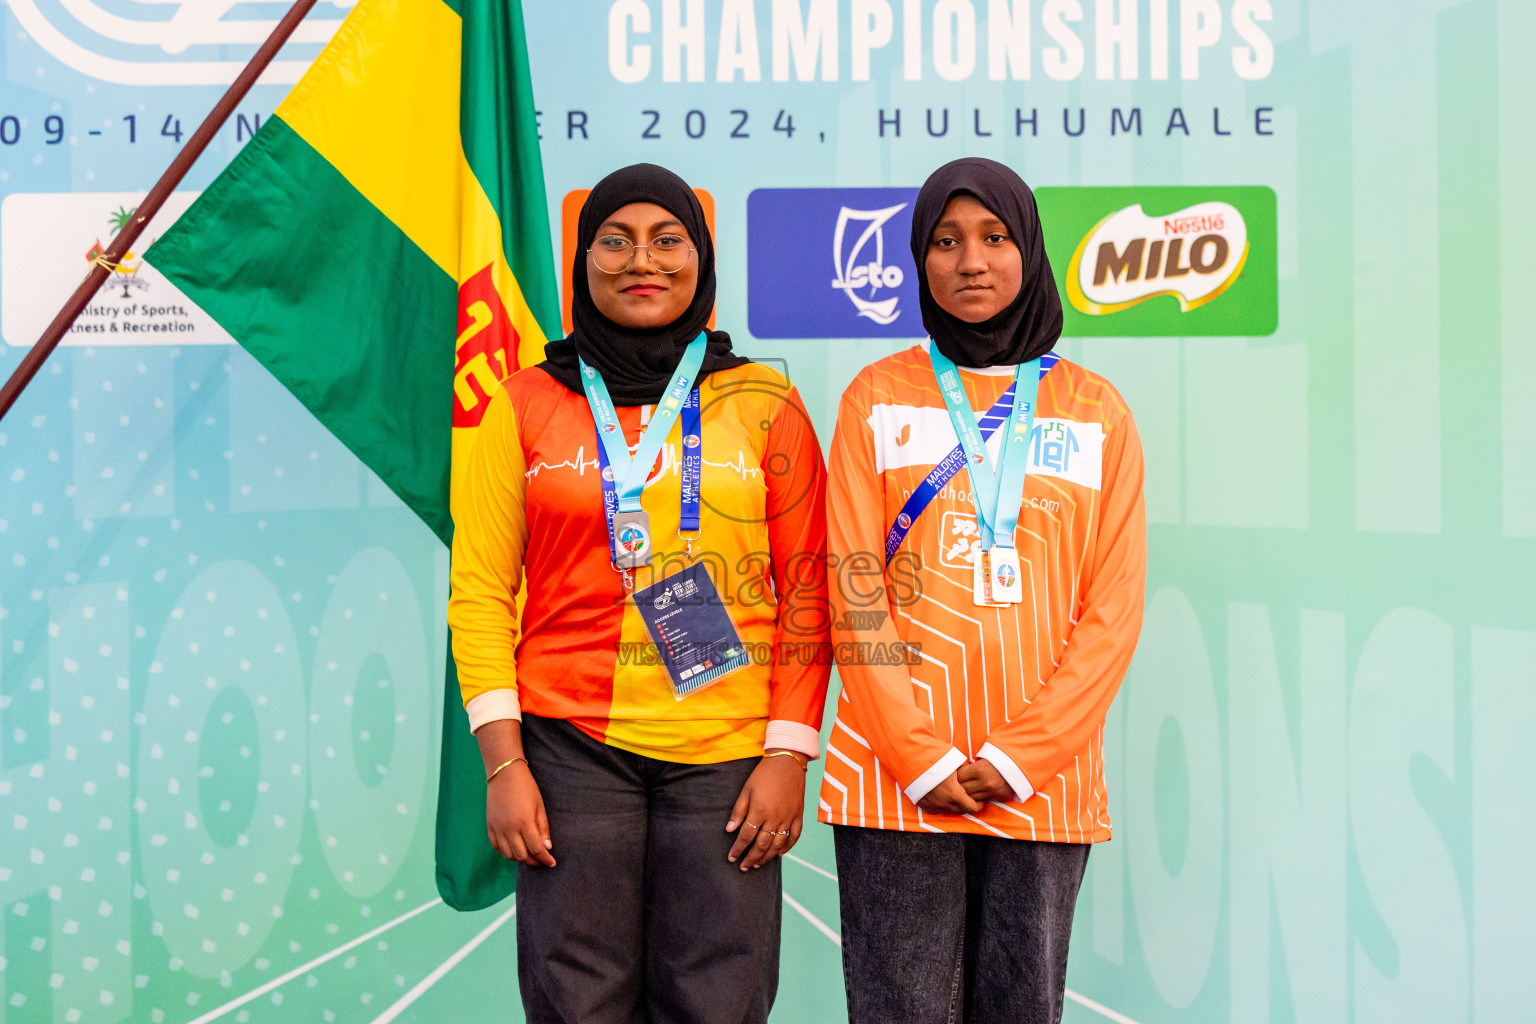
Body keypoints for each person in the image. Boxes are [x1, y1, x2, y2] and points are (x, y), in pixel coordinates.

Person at [449, 163, 830, 1024]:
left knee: (719, 1003)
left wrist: (787, 753)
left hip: (729, 760)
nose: (640, 261)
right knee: (575, 1002)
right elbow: (478, 591)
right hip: (567, 752)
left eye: (668, 240)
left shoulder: (765, 401)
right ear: (583, 261)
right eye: (614, 241)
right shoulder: (524, 403)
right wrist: (504, 761)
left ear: (701, 259)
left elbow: (812, 586)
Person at [818, 157, 1147, 1024]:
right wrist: (918, 755)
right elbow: (852, 587)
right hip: (894, 780)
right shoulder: (876, 397)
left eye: (995, 238)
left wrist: (1015, 760)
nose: (972, 261)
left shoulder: (1096, 411)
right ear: (919, 263)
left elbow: (1110, 613)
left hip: (1042, 783)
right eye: (946, 241)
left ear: (1029, 251)